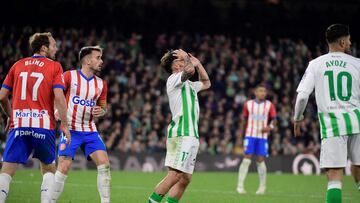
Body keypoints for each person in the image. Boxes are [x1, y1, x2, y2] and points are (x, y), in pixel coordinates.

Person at [0, 32, 70, 203]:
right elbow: (59, 97)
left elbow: (2, 96)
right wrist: (65, 125)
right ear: (44, 48)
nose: (56, 48)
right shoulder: (55, 66)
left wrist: (11, 115)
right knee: (48, 170)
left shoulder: (17, 65)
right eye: (53, 45)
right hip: (43, 125)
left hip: (19, 124)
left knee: (6, 171)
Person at [294, 24, 360, 203]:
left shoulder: (316, 64)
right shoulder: (358, 64)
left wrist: (298, 118)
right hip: (358, 123)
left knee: (334, 176)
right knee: (359, 169)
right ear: (342, 41)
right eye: (349, 38)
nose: (350, 41)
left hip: (333, 126)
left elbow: (302, 97)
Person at [147, 49, 211, 203]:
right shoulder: (174, 79)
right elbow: (189, 70)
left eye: (183, 61)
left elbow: (207, 83)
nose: (183, 62)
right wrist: (188, 59)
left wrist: (199, 63)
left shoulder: (190, 85)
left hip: (192, 135)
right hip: (182, 133)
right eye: (179, 61)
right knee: (175, 175)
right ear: (175, 67)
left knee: (185, 179)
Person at [50, 46, 110, 203]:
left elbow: (103, 107)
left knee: (104, 165)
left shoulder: (101, 84)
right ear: (88, 60)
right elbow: (56, 95)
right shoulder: (69, 76)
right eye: (98, 57)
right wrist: (56, 110)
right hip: (70, 130)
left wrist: (102, 111)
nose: (101, 61)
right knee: (63, 167)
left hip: (90, 130)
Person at [236, 84, 277, 195]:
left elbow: (274, 119)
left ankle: (262, 187)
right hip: (250, 135)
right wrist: (240, 136)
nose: (262, 93)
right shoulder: (248, 104)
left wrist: (270, 127)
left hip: (262, 137)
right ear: (255, 92)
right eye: (260, 91)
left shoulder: (269, 105)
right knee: (247, 159)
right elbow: (243, 120)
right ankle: (240, 186)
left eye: (264, 91)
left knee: (260, 160)